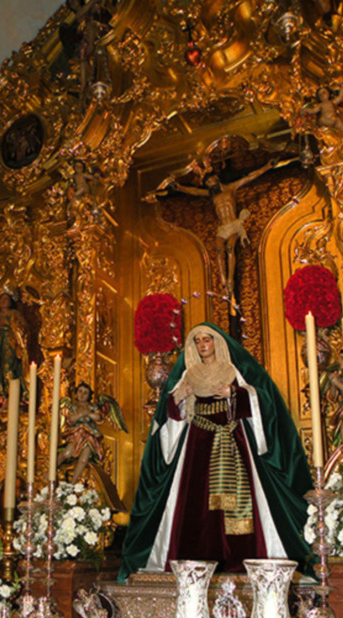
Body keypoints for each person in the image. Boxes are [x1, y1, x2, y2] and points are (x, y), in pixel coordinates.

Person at [119, 323, 313, 581]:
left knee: (235, 500)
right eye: (197, 341)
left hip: (232, 441)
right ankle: (196, 560)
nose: (202, 345)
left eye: (206, 340)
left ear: (217, 343)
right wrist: (179, 398)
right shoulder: (189, 373)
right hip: (197, 444)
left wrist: (234, 393)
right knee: (196, 501)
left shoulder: (232, 370)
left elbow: (263, 400)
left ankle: (241, 558)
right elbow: (170, 414)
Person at [168, 159, 278, 306]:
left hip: (233, 225)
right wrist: (180, 188)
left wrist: (266, 166)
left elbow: (249, 177)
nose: (209, 185)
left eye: (210, 182)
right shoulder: (211, 195)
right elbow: (194, 191)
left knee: (230, 247)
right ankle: (223, 281)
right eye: (207, 184)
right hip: (222, 228)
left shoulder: (230, 188)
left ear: (216, 179)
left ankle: (231, 279)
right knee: (219, 249)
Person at [57, 382, 128, 483]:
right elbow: (71, 419)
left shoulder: (93, 406)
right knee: (66, 454)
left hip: (90, 435)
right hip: (76, 434)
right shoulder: (73, 406)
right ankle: (51, 470)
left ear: (89, 396)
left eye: (85, 393)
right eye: (80, 391)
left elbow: (98, 417)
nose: (82, 394)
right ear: (76, 393)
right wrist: (82, 413)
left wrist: (89, 413)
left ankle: (72, 483)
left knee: (84, 459)